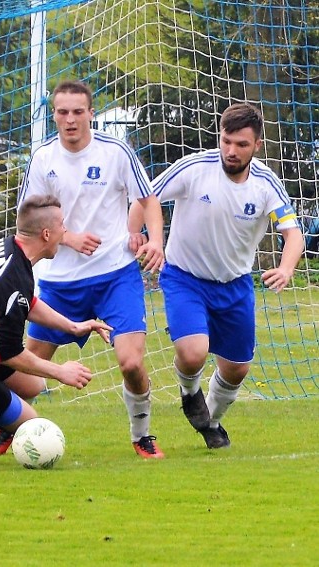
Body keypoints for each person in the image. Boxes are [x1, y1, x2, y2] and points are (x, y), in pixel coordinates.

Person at [132, 102, 303, 449]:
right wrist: (137, 234)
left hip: (235, 284)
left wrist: (286, 269)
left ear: (256, 145)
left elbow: (293, 233)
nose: (231, 150)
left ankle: (210, 421)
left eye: (241, 144)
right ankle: (189, 391)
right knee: (194, 352)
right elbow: (144, 198)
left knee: (237, 368)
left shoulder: (266, 184)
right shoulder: (195, 168)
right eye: (226, 141)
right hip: (185, 278)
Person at [16, 79, 167, 459]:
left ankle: (142, 435)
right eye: (62, 112)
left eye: (77, 112)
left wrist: (155, 241)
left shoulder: (115, 152)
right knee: (25, 378)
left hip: (115, 276)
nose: (70, 120)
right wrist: (66, 238)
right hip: (59, 284)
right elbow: (26, 219)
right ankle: (8, 428)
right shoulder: (43, 158)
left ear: (90, 114)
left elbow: (148, 201)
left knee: (131, 362)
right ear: (54, 115)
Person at [0, 195, 111, 455]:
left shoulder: (5, 250)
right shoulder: (13, 278)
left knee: (34, 385)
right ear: (47, 234)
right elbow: (10, 353)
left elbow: (28, 303)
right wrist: (61, 371)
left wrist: (73, 326)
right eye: (62, 225)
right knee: (32, 424)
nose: (65, 231)